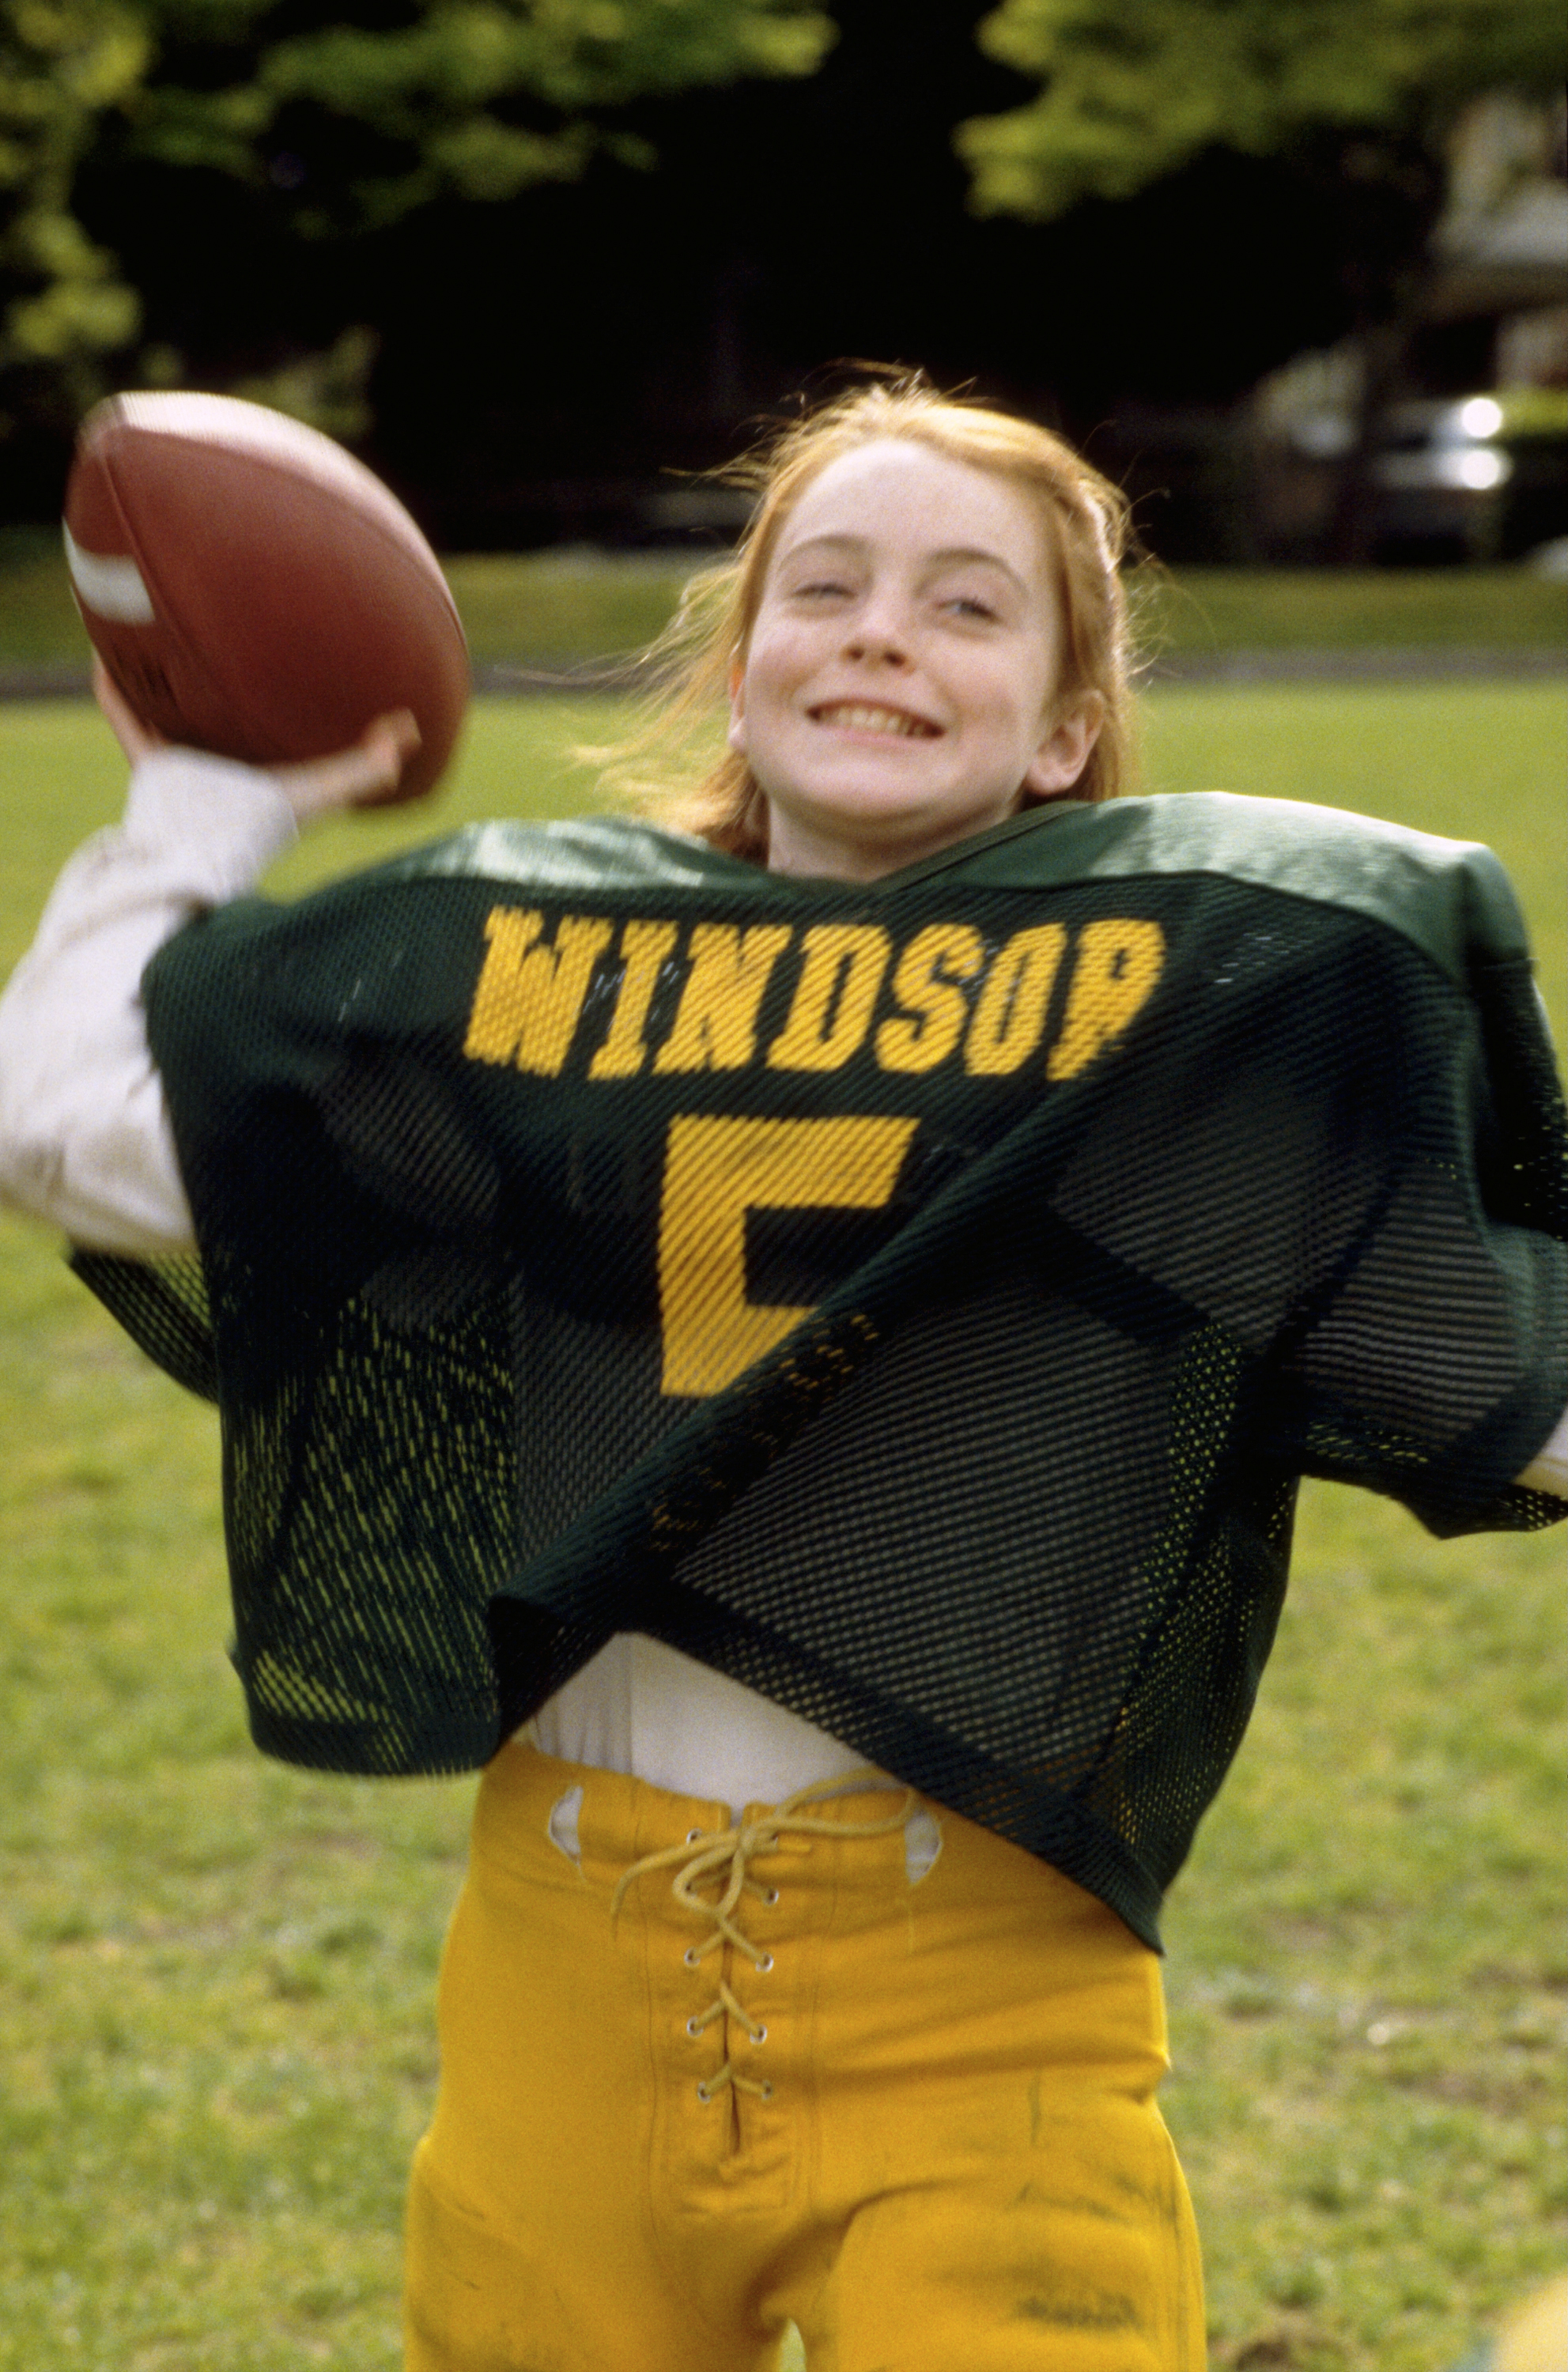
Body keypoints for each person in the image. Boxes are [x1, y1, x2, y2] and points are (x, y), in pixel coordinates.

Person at [1, 376, 1564, 2372]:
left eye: (965, 604)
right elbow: (56, 1125)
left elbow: (1509, 1367)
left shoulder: (1175, 1075)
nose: (879, 631)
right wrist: (219, 792)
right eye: (818, 588)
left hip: (984, 2005)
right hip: (562, 1983)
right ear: (737, 680)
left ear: (1070, 728)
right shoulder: (539, 1005)